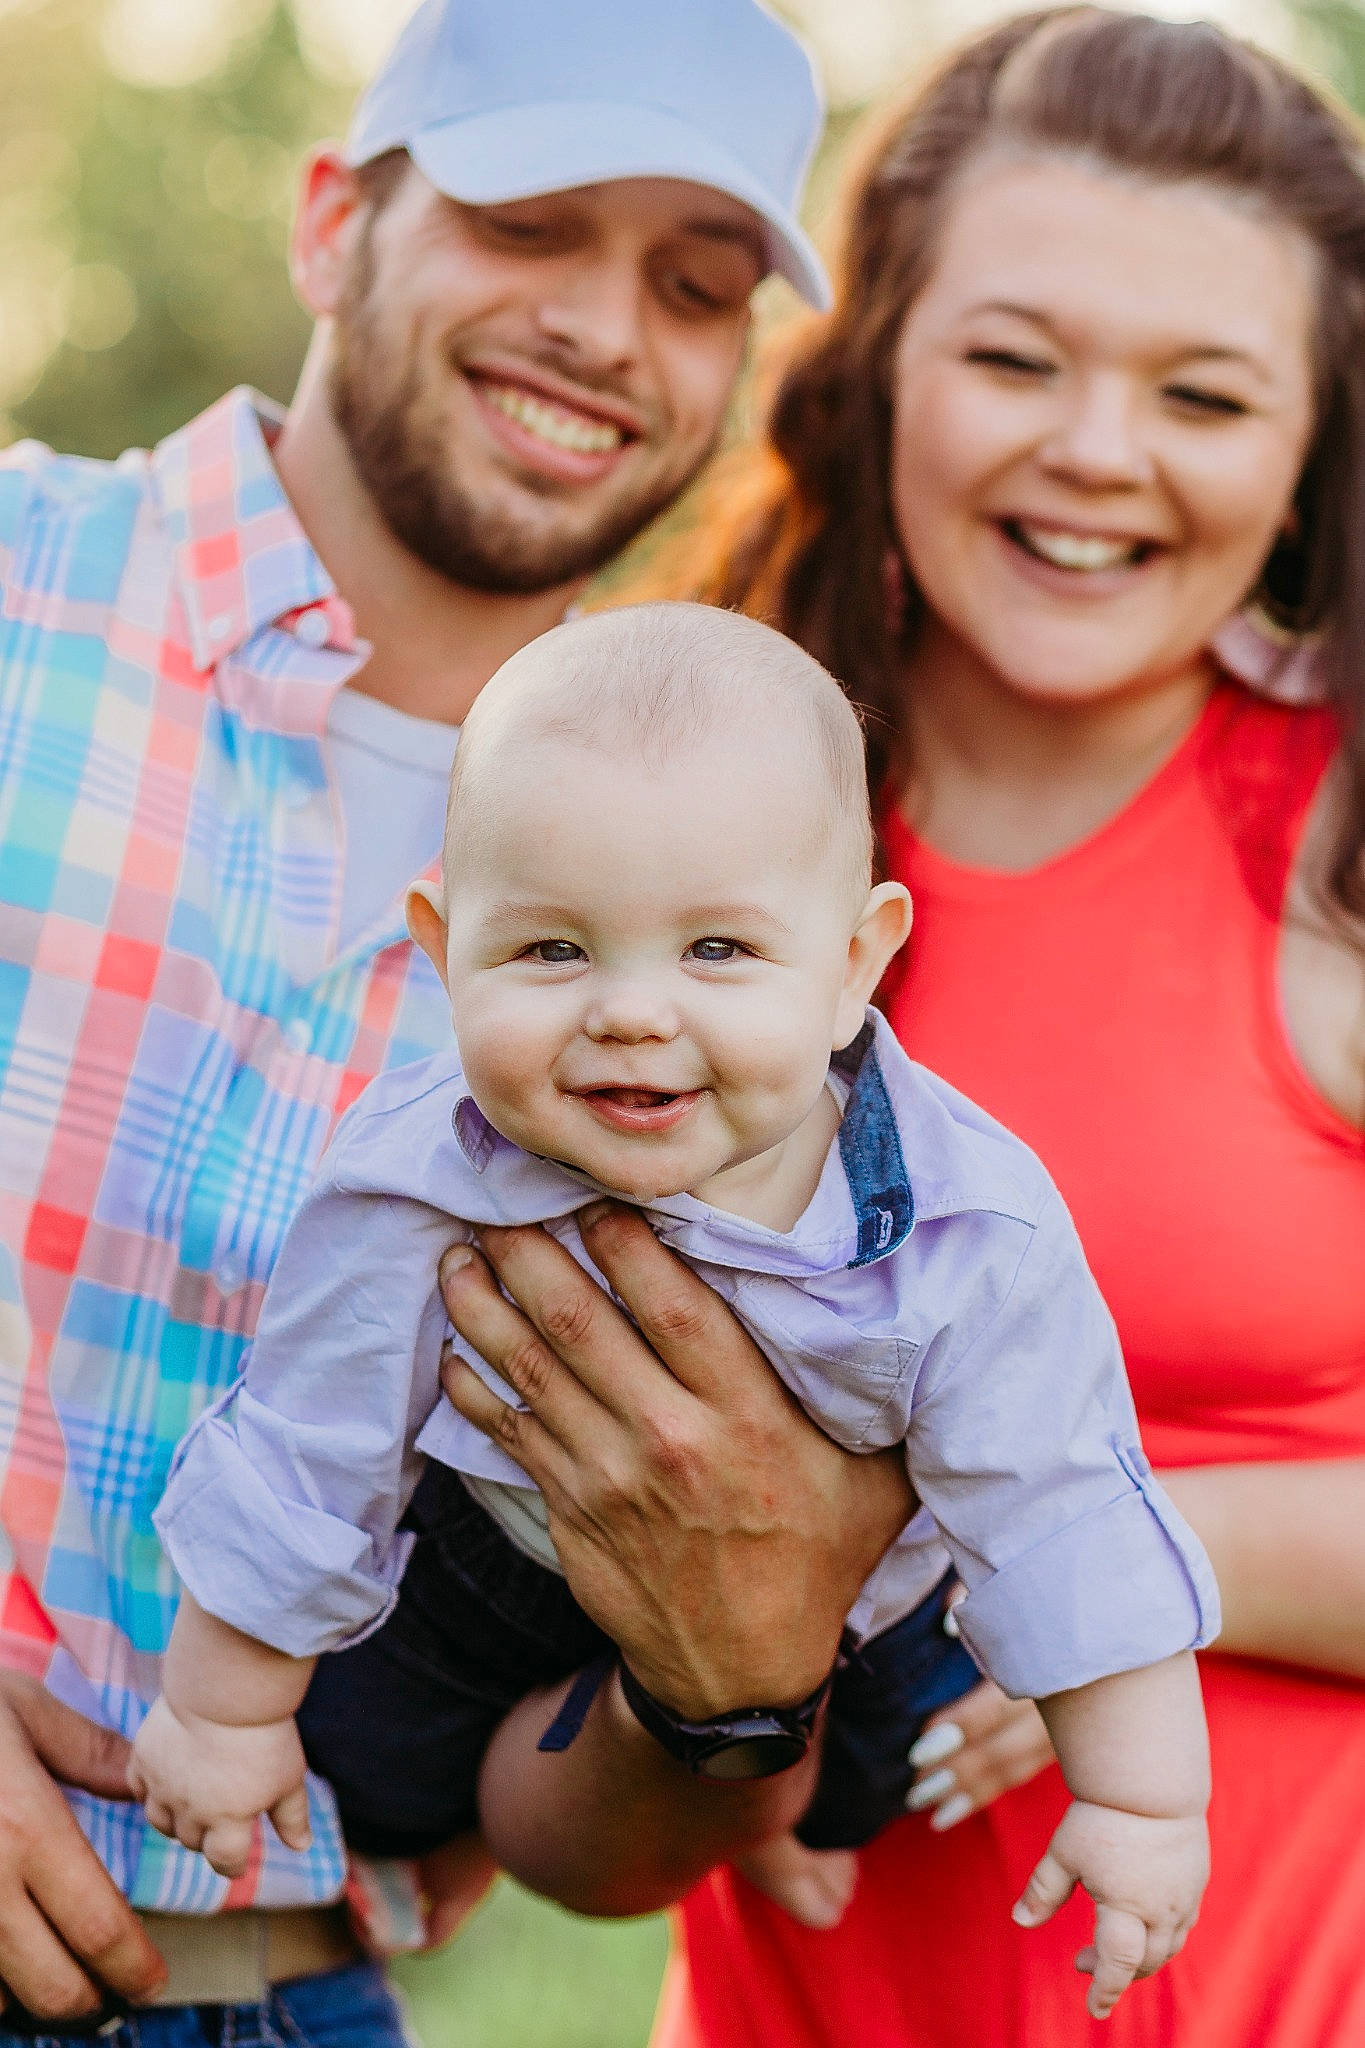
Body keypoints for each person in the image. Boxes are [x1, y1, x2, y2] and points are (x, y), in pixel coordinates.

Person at [0, 0, 874, 2035]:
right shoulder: (20, 588)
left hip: (281, 1994)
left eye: (692, 284)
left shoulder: (753, 956)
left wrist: (724, 1687)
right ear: (330, 226)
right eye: (531, 224)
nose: (601, 327)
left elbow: (568, 1837)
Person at [126, 602, 1217, 2022]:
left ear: (851, 964)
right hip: (486, 1554)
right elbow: (308, 1436)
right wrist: (221, 1711)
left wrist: (1142, 1804)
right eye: (551, 953)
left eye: (716, 951)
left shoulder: (963, 1226)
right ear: (441, 946)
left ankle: (790, 1829)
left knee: (883, 1772)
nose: (632, 1012)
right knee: (367, 1774)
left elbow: (1060, 1502)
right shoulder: (415, 1173)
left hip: (853, 1612)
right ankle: (468, 1814)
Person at [607, 9, 1364, 2046]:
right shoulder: (660, 850)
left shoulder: (1336, 846)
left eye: (1200, 392)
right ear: (868, 380)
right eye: (1013, 360)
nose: (1094, 451)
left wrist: (1101, 1546)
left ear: (1309, 446)